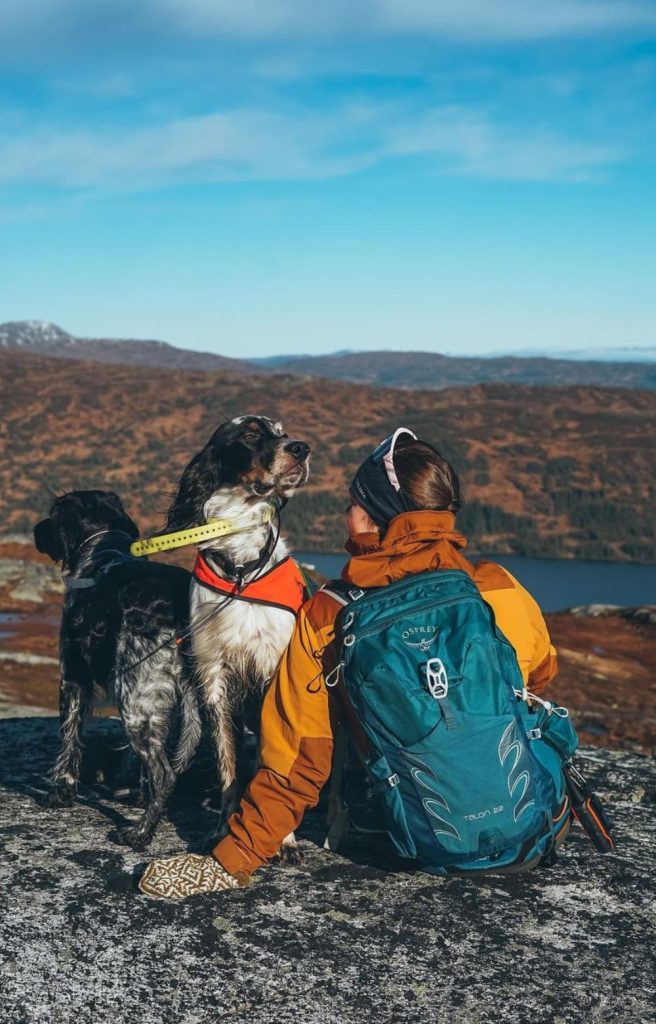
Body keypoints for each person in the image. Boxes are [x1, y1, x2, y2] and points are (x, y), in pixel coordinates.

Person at [139, 428, 558, 898]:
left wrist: (232, 859)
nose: (346, 514)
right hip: (534, 828)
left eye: (355, 502)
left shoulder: (331, 613)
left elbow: (296, 758)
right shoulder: (498, 587)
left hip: (418, 838)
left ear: (372, 518)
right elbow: (537, 680)